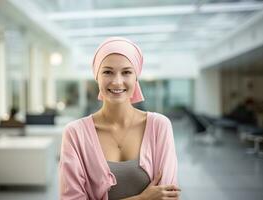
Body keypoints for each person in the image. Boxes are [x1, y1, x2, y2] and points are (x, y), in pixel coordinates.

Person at [59, 37, 180, 200]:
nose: (117, 82)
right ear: (97, 76)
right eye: (107, 72)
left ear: (136, 77)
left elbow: (168, 197)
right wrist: (142, 199)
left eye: (126, 72)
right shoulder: (75, 133)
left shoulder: (159, 126)